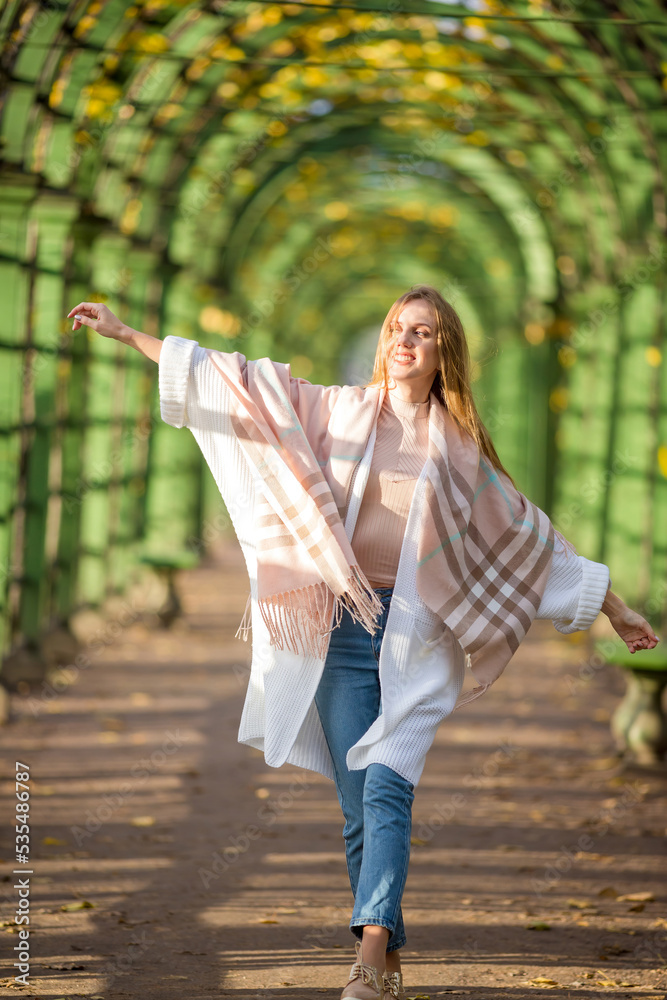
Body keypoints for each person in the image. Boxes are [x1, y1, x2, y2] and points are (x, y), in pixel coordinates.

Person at [66, 286, 659, 1000]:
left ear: (444, 351)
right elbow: (235, 381)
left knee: (387, 785)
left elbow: (534, 543)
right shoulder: (335, 411)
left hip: (417, 637)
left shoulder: (460, 450)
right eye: (395, 328)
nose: (404, 340)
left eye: (422, 332)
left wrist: (616, 609)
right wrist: (128, 333)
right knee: (359, 808)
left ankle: (368, 955)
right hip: (341, 628)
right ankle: (387, 956)